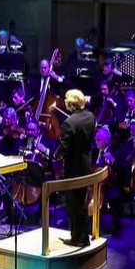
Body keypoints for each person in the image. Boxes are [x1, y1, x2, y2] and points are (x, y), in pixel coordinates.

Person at [54, 88, 95, 248]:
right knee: (82, 203)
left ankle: (76, 238)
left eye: (66, 98)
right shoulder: (90, 116)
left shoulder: (69, 123)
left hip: (74, 168)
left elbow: (64, 147)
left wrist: (56, 156)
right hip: (86, 164)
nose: (64, 101)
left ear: (71, 103)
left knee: (73, 204)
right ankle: (84, 236)